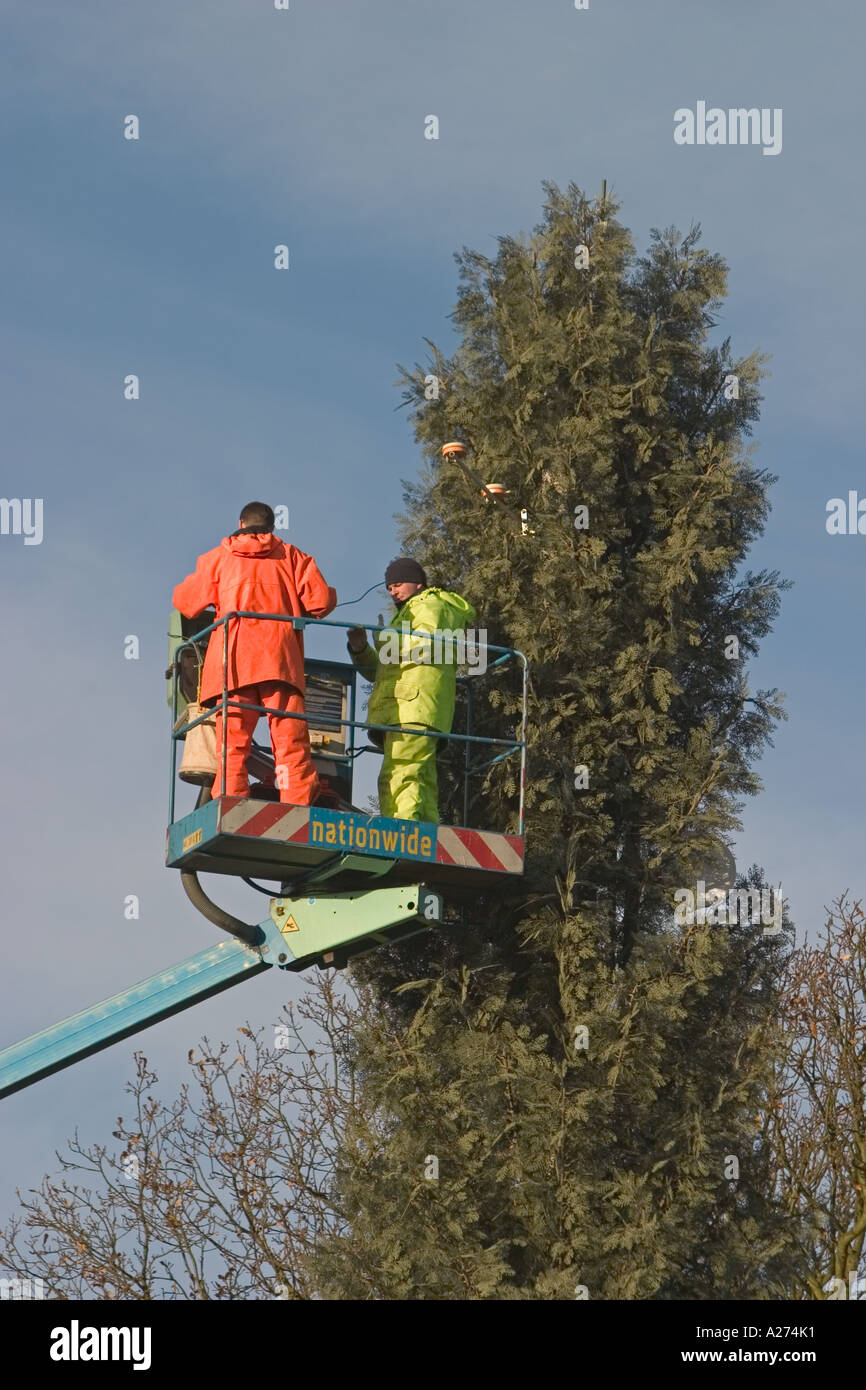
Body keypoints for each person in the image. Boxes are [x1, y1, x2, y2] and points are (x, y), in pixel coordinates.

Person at [173, 502, 337, 805]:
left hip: (232, 666)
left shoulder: (218, 558)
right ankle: (295, 803)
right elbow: (321, 601)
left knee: (232, 745)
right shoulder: (292, 556)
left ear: (240, 523)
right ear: (272, 528)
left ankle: (230, 803)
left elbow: (184, 602)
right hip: (280, 663)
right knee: (289, 743)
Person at [347, 558, 476, 824]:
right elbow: (382, 670)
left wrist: (385, 639)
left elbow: (425, 645)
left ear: (418, 583)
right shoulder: (410, 612)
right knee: (420, 776)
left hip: (412, 707)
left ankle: (401, 836)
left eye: (398, 584)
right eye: (389, 587)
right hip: (415, 708)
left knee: (399, 773)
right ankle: (424, 835)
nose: (393, 591)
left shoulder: (430, 605)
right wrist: (361, 650)